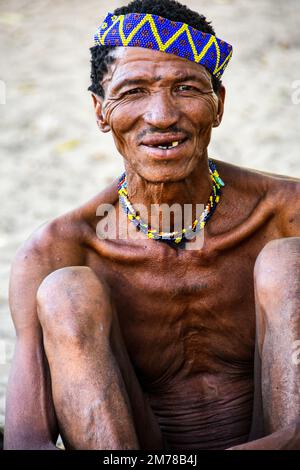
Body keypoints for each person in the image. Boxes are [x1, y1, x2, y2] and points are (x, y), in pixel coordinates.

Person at [4, 0, 300, 450]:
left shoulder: (285, 213)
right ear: (100, 110)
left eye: (186, 88)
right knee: (65, 290)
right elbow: (28, 444)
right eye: (132, 91)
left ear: (218, 105)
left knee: (289, 260)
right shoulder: (58, 249)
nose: (162, 116)